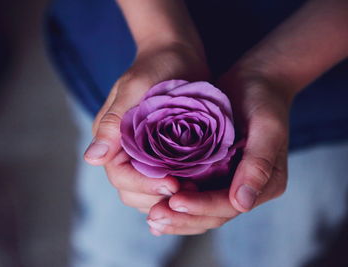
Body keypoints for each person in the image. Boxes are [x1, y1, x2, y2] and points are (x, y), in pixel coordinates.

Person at [46, 0, 348, 266]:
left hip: (318, 63)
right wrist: (161, 39)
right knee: (112, 228)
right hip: (129, 38)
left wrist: (277, 73)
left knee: (274, 248)